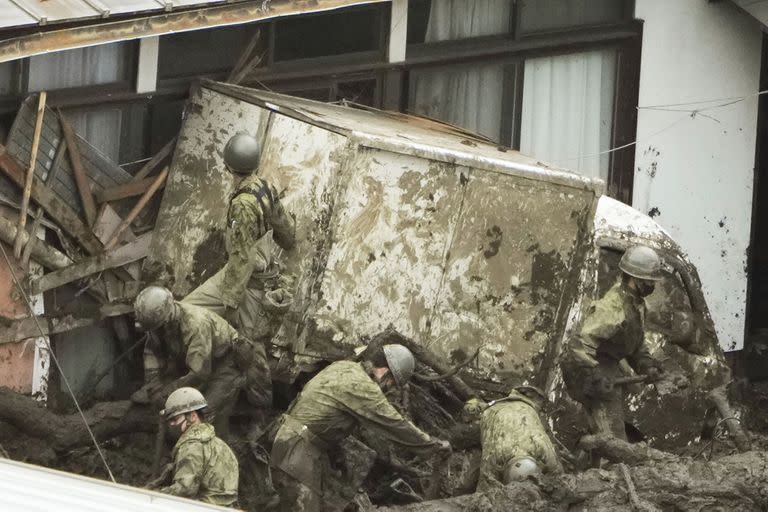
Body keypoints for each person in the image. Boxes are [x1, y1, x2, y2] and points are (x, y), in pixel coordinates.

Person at [270, 341, 451, 511]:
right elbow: (394, 424)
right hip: (297, 452)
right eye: (392, 383)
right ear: (385, 371)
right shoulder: (363, 387)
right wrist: (432, 445)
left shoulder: (343, 367)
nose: (389, 389)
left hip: (287, 440)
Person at [183, 132, 296, 341]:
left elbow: (242, 259)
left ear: (228, 166)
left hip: (250, 283)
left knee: (244, 346)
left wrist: (231, 304)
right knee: (187, 310)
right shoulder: (266, 188)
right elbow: (287, 232)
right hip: (243, 275)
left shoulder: (242, 204)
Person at [132, 285, 272, 433]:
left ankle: (219, 444)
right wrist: (154, 387)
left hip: (226, 362)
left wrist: (169, 393)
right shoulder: (158, 325)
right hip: (197, 361)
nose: (155, 332)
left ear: (167, 318)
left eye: (158, 327)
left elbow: (199, 374)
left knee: (205, 412)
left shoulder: (196, 325)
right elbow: (151, 354)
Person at [562, 244, 666, 439]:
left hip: (607, 364)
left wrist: (646, 365)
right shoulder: (613, 308)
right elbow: (578, 345)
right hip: (585, 368)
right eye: (649, 281)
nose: (652, 286)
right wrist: (595, 374)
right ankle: (608, 463)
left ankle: (596, 455)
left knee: (605, 431)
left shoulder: (637, 304)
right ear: (636, 279)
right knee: (614, 437)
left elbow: (635, 343)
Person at [155, 387, 239, 507]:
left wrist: (153, 496)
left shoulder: (191, 446)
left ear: (193, 416)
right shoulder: (220, 445)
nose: (171, 425)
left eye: (175, 419)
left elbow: (185, 489)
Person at [476, 385, 562, 491]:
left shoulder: (490, 410)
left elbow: (487, 451)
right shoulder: (531, 412)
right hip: (516, 459)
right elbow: (554, 466)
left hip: (495, 446)